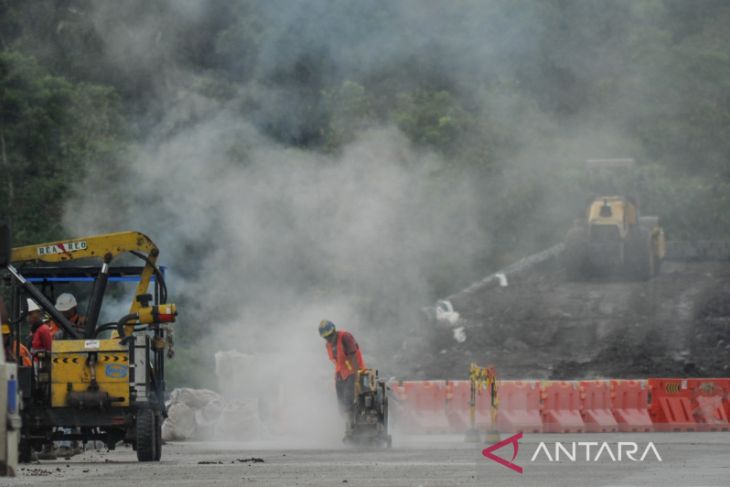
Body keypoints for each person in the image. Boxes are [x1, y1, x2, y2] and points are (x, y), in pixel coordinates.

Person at [319, 320, 365, 438]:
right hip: (341, 375)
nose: (329, 339)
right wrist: (338, 378)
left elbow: (353, 356)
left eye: (330, 336)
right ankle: (350, 427)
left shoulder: (345, 337)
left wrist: (358, 376)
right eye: (326, 337)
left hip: (354, 372)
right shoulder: (328, 345)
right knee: (341, 406)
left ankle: (355, 427)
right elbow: (338, 362)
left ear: (334, 331)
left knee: (348, 400)